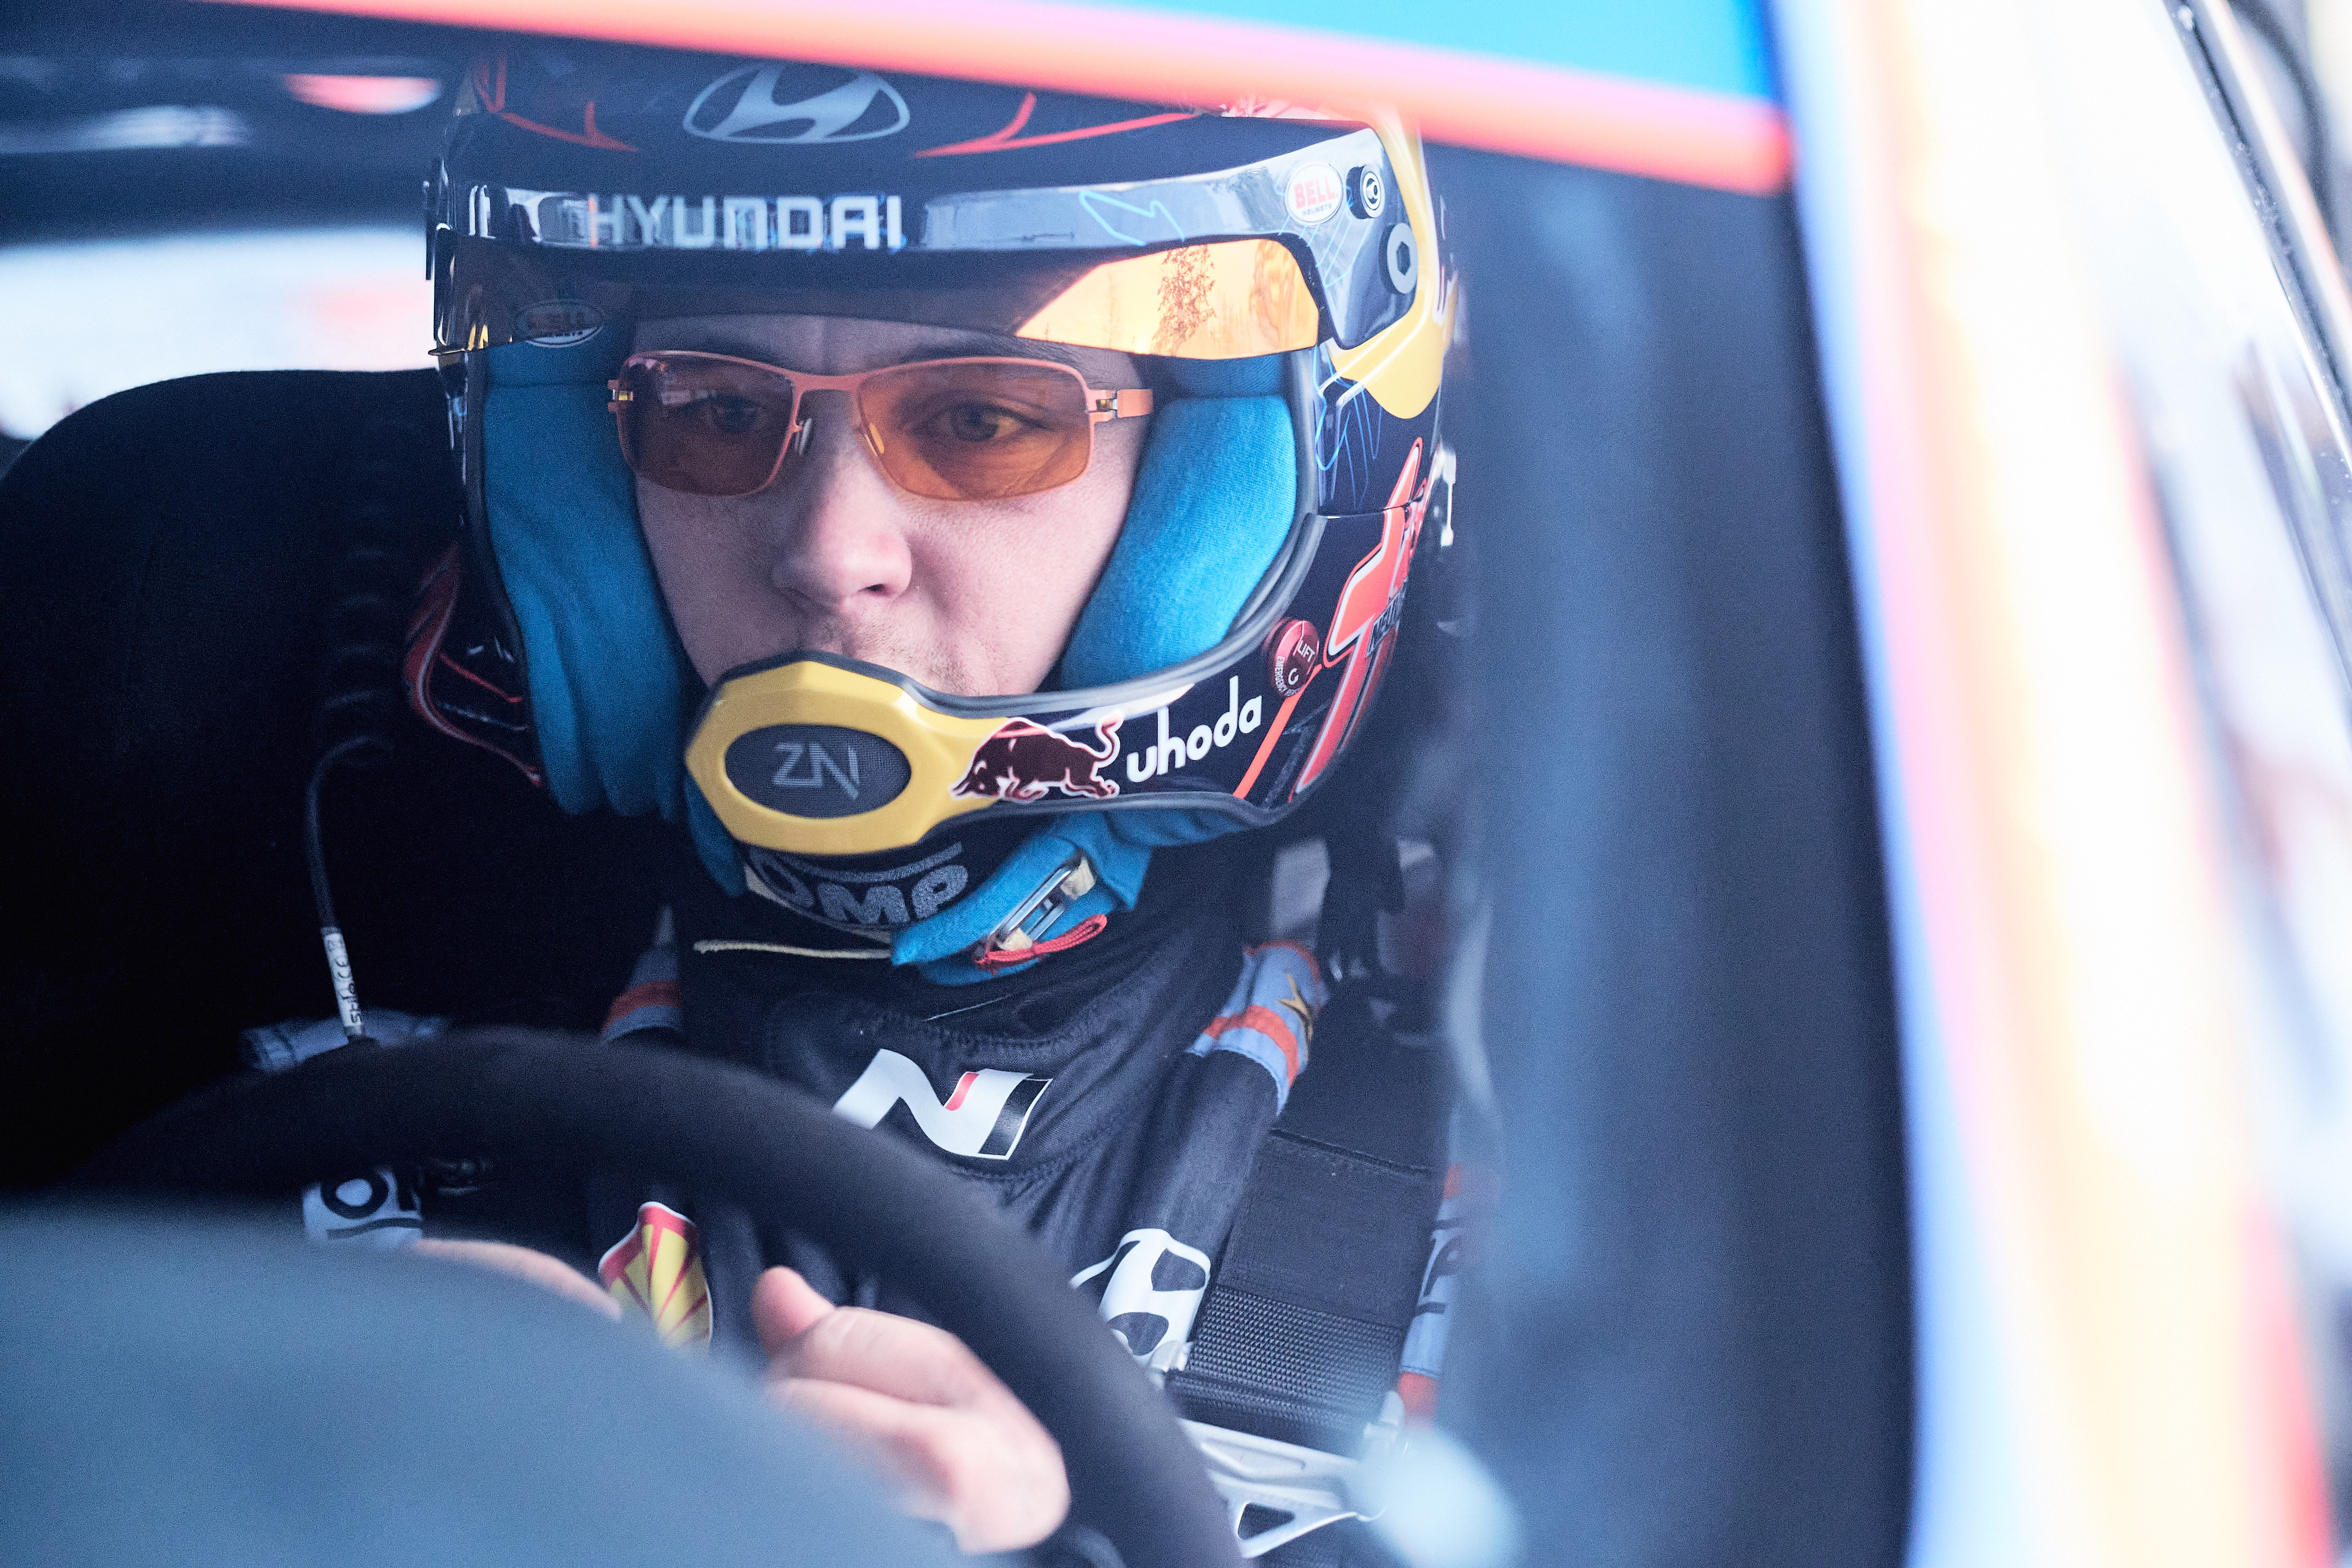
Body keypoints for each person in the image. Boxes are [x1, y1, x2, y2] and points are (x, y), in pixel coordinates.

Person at [5, 45, 1461, 1564]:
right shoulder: (255, 1154)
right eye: (707, 411)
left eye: (981, 420)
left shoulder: (1524, 1214)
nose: (827, 550)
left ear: (1221, 492)